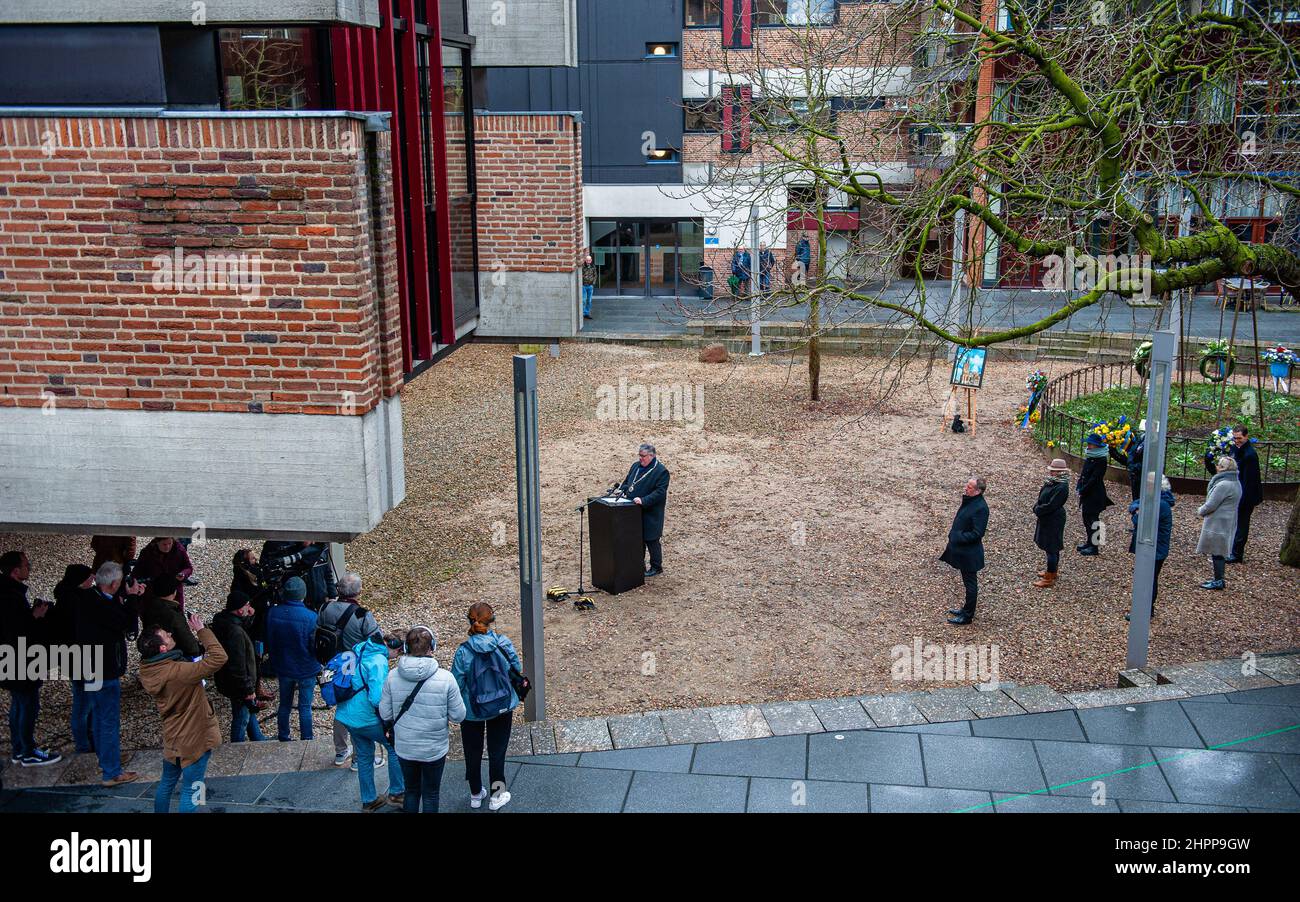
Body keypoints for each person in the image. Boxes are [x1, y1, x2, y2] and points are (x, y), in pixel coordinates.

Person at [137, 611, 228, 813]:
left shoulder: (148, 671)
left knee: (166, 783)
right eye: (167, 636)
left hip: (173, 736)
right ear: (162, 648)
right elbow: (219, 657)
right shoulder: (180, 672)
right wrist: (201, 630)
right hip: (195, 737)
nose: (170, 634)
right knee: (194, 789)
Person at [379, 626, 465, 813]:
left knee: (411, 791)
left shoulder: (392, 677)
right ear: (432, 647)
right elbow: (458, 716)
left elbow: (385, 714)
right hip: (434, 748)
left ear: (406, 648)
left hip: (405, 747)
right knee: (431, 793)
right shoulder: (446, 678)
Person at [77, 562, 144, 785]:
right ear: (114, 583)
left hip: (89, 666)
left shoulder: (89, 598)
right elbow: (128, 626)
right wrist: (133, 599)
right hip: (105, 671)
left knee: (97, 715)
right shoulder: (104, 607)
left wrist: (123, 598)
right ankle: (112, 772)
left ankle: (106, 757)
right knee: (108, 720)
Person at [451, 602, 522, 811]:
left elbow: (457, 683)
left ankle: (475, 793)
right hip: (501, 705)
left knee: (472, 752)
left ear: (470, 621)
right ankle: (497, 794)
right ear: (491, 621)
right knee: (497, 752)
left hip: (472, 710)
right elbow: (515, 669)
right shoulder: (503, 643)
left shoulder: (463, 651)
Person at [0, 550, 60, 766]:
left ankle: (19, 749)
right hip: (20, 662)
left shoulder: (8, 593)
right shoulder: (10, 597)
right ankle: (27, 751)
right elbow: (18, 631)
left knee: (19, 704)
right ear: (16, 571)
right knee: (28, 706)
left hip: (10, 661)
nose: (29, 567)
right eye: (26, 564)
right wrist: (36, 617)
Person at [318, 571, 382, 767]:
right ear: (359, 591)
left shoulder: (325, 608)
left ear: (338, 589)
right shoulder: (362, 615)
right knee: (355, 710)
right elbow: (376, 641)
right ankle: (358, 758)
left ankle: (340, 751)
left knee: (339, 707)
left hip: (332, 664)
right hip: (354, 667)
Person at [338, 630, 405, 811]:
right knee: (394, 747)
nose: (396, 657)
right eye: (399, 652)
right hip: (365, 718)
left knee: (365, 755)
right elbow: (376, 699)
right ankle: (397, 793)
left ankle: (369, 800)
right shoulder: (378, 661)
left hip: (347, 714)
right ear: (393, 648)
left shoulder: (360, 647)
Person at [264, 576, 320, 741]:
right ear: (303, 594)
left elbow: (269, 638)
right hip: (306, 667)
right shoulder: (311, 617)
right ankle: (307, 739)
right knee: (305, 707)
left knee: (284, 704)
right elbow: (313, 645)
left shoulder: (273, 613)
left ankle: (283, 735)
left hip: (284, 665)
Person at [210, 592, 267, 743]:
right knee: (241, 718)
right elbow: (238, 665)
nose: (249, 607)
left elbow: (241, 624)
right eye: (247, 605)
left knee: (248, 711)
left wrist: (250, 617)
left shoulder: (222, 620)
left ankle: (257, 737)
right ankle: (236, 749)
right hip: (239, 685)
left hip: (227, 680)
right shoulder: (234, 633)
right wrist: (248, 690)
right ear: (240, 610)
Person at [1203, 424, 1263, 563]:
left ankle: (1237, 553)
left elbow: (1249, 480)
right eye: (1235, 438)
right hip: (1238, 491)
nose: (1237, 440)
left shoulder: (1250, 455)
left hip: (1247, 495)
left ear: (1246, 437)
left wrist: (1241, 498)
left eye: (1240, 438)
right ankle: (1232, 549)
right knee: (1236, 523)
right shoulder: (1236, 449)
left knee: (1242, 523)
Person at [52, 564, 95, 753]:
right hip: (82, 659)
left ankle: (87, 742)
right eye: (89, 578)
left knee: (84, 700)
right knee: (84, 704)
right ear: (80, 581)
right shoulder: (75, 604)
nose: (92, 581)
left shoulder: (66, 598)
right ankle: (84, 746)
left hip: (74, 659)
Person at [1125, 476, 1175, 621]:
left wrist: (1136, 512)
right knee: (1149, 578)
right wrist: (1137, 509)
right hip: (1155, 547)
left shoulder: (1158, 504)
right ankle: (1147, 609)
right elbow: (1135, 504)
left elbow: (1139, 520)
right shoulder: (1157, 501)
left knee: (1148, 580)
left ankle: (1145, 610)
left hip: (1154, 549)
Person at [940, 477, 989, 625]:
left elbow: (977, 533)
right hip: (964, 552)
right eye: (967, 485)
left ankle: (967, 616)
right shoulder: (971, 501)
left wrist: (957, 536)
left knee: (971, 585)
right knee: (968, 583)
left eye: (969, 487)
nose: (966, 488)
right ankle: (965, 610)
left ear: (978, 491)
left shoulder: (981, 508)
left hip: (970, 554)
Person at [618, 442, 671, 577]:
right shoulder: (635, 466)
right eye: (639, 455)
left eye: (643, 456)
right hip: (633, 511)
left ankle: (656, 567)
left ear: (651, 456)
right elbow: (627, 482)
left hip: (651, 513)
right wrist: (623, 491)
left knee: (651, 540)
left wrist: (643, 500)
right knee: (637, 540)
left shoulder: (661, 471)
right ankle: (638, 565)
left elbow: (660, 492)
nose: (640, 458)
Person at [1197, 456, 1243, 591]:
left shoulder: (1224, 485)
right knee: (1219, 551)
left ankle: (1218, 580)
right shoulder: (1235, 482)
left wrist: (1200, 511)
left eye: (1218, 465)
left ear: (1223, 468)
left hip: (1218, 522)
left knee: (1217, 552)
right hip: (1227, 521)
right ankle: (1219, 579)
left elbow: (1211, 504)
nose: (1216, 467)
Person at [140, 575, 201, 659]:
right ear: (174, 592)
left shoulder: (148, 606)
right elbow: (184, 635)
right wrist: (195, 651)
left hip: (153, 646)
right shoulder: (173, 613)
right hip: (174, 651)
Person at [1031, 459, 1070, 589]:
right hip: (1047, 517)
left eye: (1054, 471)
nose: (1051, 472)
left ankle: (1049, 577)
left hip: (1053, 519)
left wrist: (1038, 509)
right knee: (1050, 547)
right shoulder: (1053, 482)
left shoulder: (1062, 486)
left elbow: (1053, 505)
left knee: (1051, 548)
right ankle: (1052, 571)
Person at [1076, 433, 1114, 556]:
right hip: (1087, 493)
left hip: (1094, 494)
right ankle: (1090, 542)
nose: (1089, 446)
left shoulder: (1101, 459)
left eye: (1090, 444)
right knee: (1087, 518)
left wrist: (1084, 489)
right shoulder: (1091, 456)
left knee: (1094, 520)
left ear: (1097, 446)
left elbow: (1095, 478)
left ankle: (1095, 546)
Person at [133, 537, 194, 607]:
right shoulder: (147, 553)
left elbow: (188, 567)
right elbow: (136, 573)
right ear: (157, 542)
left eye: (170, 543)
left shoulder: (179, 550)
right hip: (152, 591)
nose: (167, 547)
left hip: (174, 590)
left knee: (176, 613)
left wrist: (183, 574)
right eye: (164, 544)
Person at [1109, 431, 1145, 501]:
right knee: (1137, 499)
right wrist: (1113, 451)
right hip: (1135, 474)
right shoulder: (1141, 438)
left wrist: (1134, 467)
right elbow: (1127, 460)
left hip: (1142, 475)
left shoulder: (1149, 441)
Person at [581, 250, 596, 321]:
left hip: (590, 286)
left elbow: (595, 275)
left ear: (591, 260)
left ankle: (586, 313)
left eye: (589, 260)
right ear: (585, 260)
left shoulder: (593, 266)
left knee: (589, 301)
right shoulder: (583, 267)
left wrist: (593, 282)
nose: (588, 261)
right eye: (587, 260)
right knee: (584, 300)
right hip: (584, 285)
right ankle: (582, 313)